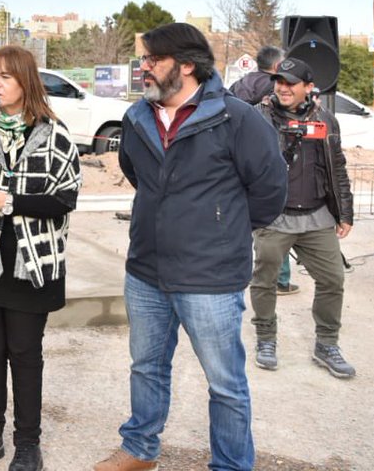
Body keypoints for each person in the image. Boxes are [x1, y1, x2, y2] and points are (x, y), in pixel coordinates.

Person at [94, 23, 287, 471]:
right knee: (146, 366)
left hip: (210, 277)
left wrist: (221, 231)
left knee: (225, 383)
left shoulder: (237, 118)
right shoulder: (136, 117)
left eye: (152, 59)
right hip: (146, 270)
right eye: (142, 59)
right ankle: (140, 449)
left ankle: (232, 464)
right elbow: (139, 176)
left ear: (185, 65)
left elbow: (269, 191)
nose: (143, 68)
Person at [0, 45, 81, 471]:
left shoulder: (55, 134)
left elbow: (64, 200)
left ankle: (28, 443)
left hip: (31, 264)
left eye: (6, 76)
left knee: (25, 353)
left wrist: (6, 201)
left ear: (26, 82)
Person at [249, 58, 356, 378]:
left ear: (308, 88)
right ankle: (265, 339)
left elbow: (337, 166)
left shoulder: (326, 119)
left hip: (317, 216)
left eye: (290, 82)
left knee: (333, 280)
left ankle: (327, 343)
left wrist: (344, 212)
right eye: (278, 81)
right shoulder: (258, 117)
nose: (282, 87)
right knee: (264, 280)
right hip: (274, 216)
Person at [229, 46, 297, 294]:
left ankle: (245, 271)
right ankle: (281, 279)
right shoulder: (275, 88)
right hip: (270, 157)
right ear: (278, 67)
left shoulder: (240, 84)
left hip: (238, 161)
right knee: (277, 222)